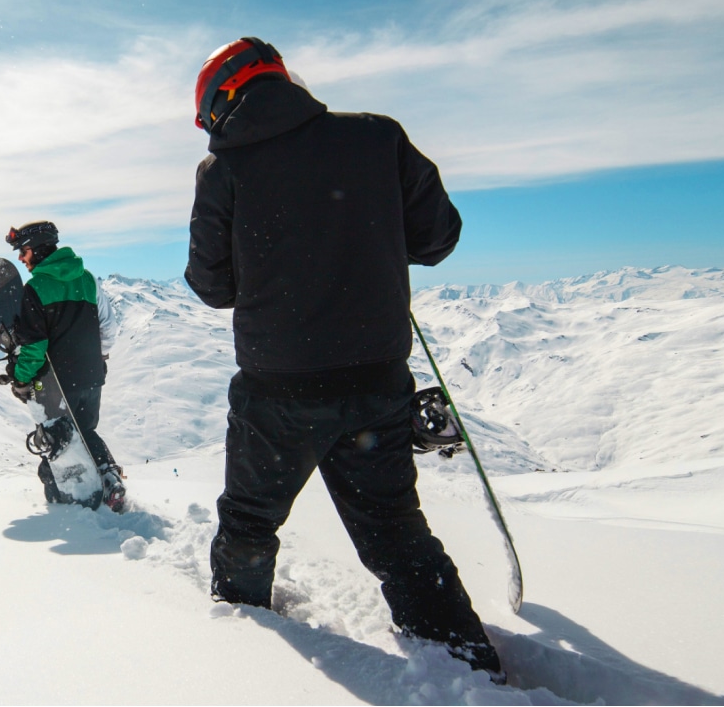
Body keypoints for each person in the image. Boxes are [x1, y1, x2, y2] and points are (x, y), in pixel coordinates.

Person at [181, 38, 501, 678]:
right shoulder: (378, 137)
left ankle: (239, 654)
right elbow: (438, 239)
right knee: (392, 526)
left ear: (223, 100)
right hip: (375, 383)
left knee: (249, 522)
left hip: (276, 392)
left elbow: (211, 285)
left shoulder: (223, 172)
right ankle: (466, 665)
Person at [0, 221, 115, 503]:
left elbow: (35, 345)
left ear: (37, 250)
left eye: (23, 251)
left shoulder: (36, 288)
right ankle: (109, 480)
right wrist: (96, 359)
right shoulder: (88, 279)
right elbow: (108, 328)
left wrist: (23, 377)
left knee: (56, 441)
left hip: (57, 382)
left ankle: (63, 506)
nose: (20, 258)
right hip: (92, 377)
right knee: (85, 433)